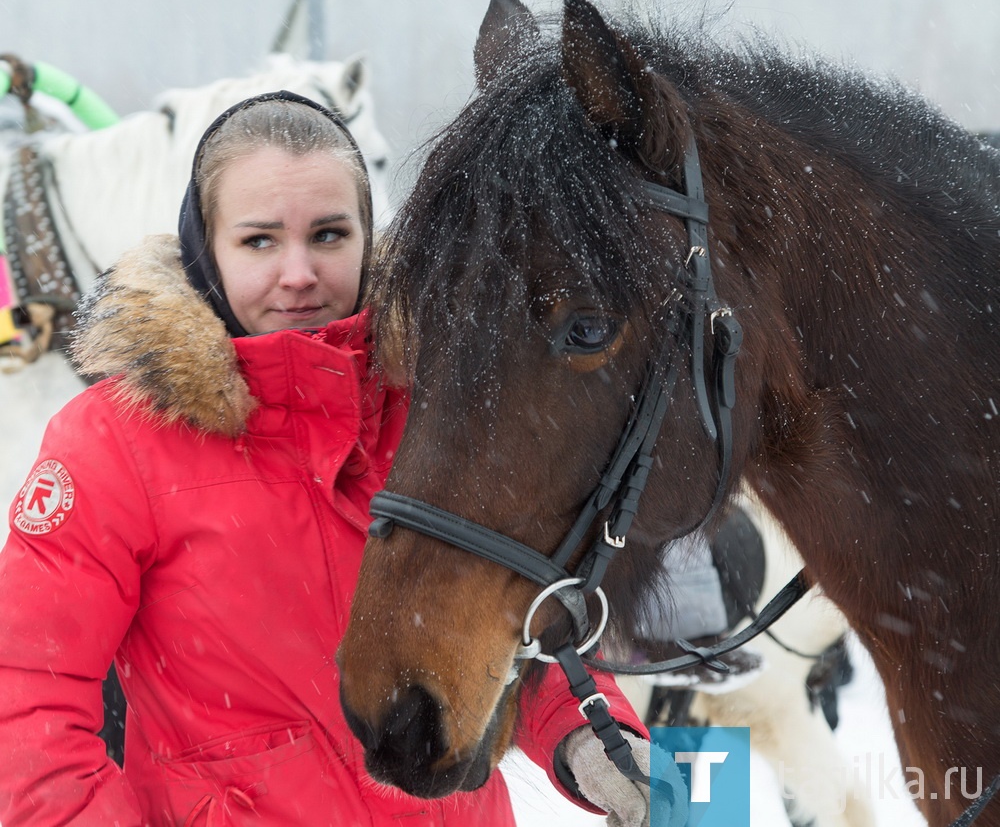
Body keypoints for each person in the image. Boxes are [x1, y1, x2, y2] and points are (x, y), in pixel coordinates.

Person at [0, 91, 672, 826]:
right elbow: (27, 702)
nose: (299, 273)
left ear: (368, 236)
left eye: (328, 234)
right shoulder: (115, 443)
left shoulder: (439, 411)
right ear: (204, 248)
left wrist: (594, 734)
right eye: (259, 240)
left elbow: (510, 610)